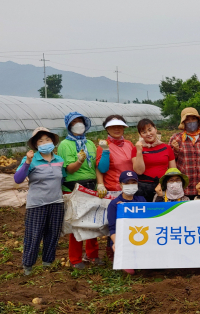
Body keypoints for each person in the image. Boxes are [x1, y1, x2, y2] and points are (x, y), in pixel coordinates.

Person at [14, 127, 65, 276]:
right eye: (40, 141)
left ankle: (47, 263)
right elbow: (18, 179)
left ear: (53, 142)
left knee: (53, 233)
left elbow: (63, 178)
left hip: (56, 202)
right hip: (37, 204)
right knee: (34, 234)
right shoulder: (30, 160)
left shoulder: (59, 160)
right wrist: (27, 162)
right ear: (36, 145)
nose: (44, 143)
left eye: (47, 140)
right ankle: (28, 266)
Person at [57, 111, 103, 269]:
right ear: (69, 126)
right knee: (76, 224)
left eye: (80, 121)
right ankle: (75, 258)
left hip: (91, 187)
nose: (78, 125)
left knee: (92, 222)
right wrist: (78, 161)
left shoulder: (90, 144)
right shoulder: (65, 145)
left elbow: (96, 166)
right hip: (74, 188)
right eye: (74, 122)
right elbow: (69, 169)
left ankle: (92, 254)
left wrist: (99, 184)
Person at [169, 108, 200, 199]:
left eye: (193, 119)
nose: (191, 122)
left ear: (198, 120)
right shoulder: (176, 138)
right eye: (187, 120)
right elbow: (170, 161)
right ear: (183, 122)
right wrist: (176, 150)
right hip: (183, 187)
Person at [107, 170, 146, 275]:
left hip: (141, 236)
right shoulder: (114, 204)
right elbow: (112, 228)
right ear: (120, 185)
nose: (130, 185)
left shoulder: (142, 200)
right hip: (123, 238)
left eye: (133, 183)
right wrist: (116, 243)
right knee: (130, 271)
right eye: (126, 183)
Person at [132, 118, 176, 202]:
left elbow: (173, 170)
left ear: (155, 129)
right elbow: (139, 171)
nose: (148, 134)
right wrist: (139, 151)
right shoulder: (136, 149)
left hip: (163, 187)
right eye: (144, 132)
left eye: (150, 130)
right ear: (140, 135)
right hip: (143, 188)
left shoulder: (167, 148)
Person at [96, 115, 134, 193]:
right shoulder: (104, 146)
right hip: (115, 188)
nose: (117, 129)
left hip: (132, 187)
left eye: (119, 126)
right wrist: (105, 151)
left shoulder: (129, 144)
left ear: (123, 128)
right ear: (107, 129)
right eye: (113, 127)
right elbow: (102, 169)